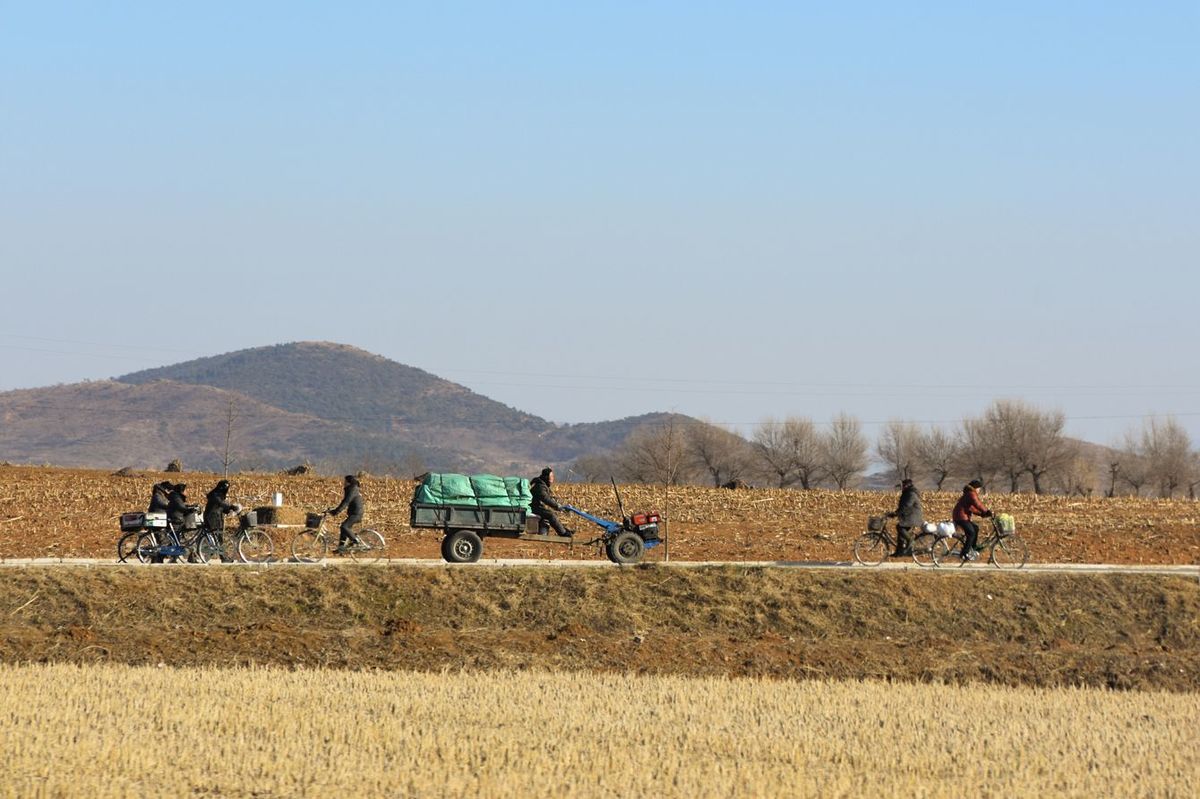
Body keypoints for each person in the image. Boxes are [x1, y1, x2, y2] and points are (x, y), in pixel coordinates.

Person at [953, 479, 992, 561]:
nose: (979, 490)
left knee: (975, 528)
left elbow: (971, 508)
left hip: (962, 516)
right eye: (979, 489)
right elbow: (977, 504)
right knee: (971, 533)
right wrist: (986, 511)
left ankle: (972, 547)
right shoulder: (971, 494)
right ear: (975, 488)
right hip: (961, 517)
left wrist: (982, 514)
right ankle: (965, 553)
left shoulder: (968, 493)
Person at [203, 479, 241, 563]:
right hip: (212, 518)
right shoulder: (215, 495)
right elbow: (220, 503)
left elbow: (220, 507)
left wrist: (227, 510)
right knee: (217, 538)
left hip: (216, 517)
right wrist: (231, 506)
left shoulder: (218, 494)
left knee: (218, 539)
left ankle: (222, 557)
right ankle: (222, 557)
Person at [326, 475, 364, 554]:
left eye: (345, 481)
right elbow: (343, 502)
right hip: (354, 513)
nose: (343, 483)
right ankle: (341, 549)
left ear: (348, 482)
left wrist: (336, 512)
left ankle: (356, 541)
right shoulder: (351, 489)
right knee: (344, 530)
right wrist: (334, 510)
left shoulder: (352, 490)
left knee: (344, 526)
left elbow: (346, 502)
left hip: (356, 514)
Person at [530, 467, 572, 537]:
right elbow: (545, 498)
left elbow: (550, 497)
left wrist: (561, 504)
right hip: (533, 508)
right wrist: (557, 506)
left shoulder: (542, 484)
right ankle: (563, 533)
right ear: (546, 477)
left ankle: (564, 530)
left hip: (537, 507)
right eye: (551, 476)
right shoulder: (540, 486)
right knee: (550, 515)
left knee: (547, 515)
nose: (553, 478)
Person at [887, 478, 923, 557]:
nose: (902, 487)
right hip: (908, 516)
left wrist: (896, 513)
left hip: (913, 517)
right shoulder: (907, 493)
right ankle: (899, 552)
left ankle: (911, 541)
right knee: (900, 534)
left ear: (908, 485)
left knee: (899, 527)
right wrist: (894, 513)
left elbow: (906, 506)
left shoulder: (911, 494)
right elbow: (902, 506)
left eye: (904, 485)